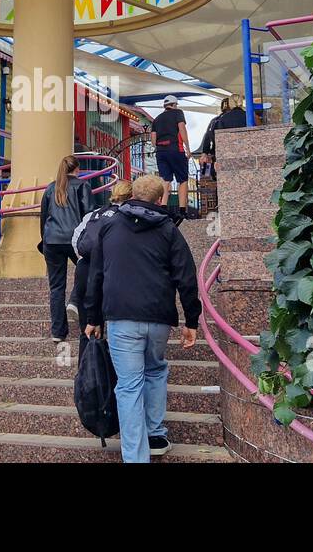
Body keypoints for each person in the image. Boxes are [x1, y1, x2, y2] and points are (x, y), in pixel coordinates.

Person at [83, 174, 201, 463]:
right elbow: (186, 277)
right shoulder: (169, 230)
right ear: (161, 199)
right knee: (156, 369)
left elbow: (96, 274)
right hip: (159, 316)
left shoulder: (109, 227)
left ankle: (136, 456)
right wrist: (191, 321)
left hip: (121, 316)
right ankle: (156, 434)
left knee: (128, 384)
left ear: (132, 195)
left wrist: (92, 316)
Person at [39, 155, 93, 342]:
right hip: (75, 238)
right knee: (86, 276)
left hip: (52, 240)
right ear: (77, 169)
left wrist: (44, 239)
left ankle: (58, 332)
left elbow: (44, 216)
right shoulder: (82, 186)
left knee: (56, 287)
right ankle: (80, 314)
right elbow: (89, 216)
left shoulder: (50, 188)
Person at [65, 179, 133, 324]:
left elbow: (76, 236)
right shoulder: (127, 217)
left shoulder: (96, 213)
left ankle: (75, 301)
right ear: (131, 197)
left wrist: (82, 256)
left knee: (88, 324)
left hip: (86, 266)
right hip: (112, 271)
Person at [151, 94, 191, 219]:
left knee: (165, 180)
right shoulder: (178, 113)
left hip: (161, 152)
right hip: (175, 149)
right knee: (182, 180)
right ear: (174, 105)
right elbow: (182, 128)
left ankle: (163, 208)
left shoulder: (156, 119)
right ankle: (182, 211)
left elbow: (153, 139)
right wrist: (188, 147)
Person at [198, 93, 248, 178]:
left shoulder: (217, 120)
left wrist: (206, 152)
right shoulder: (248, 115)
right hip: (245, 152)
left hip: (223, 154)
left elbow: (210, 137)